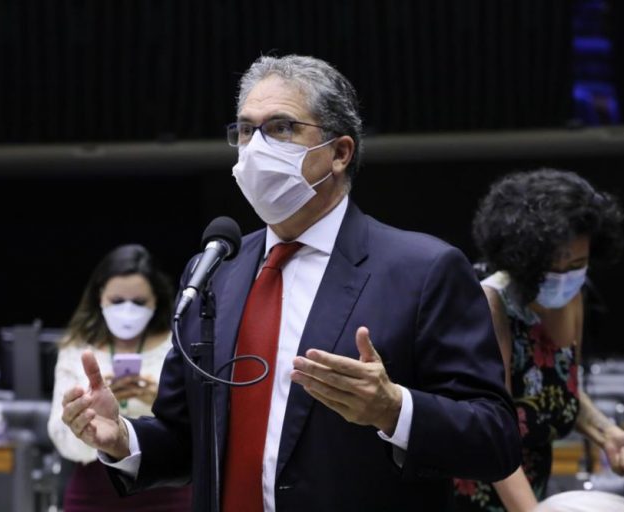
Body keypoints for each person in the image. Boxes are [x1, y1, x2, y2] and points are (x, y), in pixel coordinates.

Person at [61, 54, 522, 511]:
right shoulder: (215, 270)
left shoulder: (423, 270)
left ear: (340, 153)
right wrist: (122, 439)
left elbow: (494, 438)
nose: (257, 148)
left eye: (281, 127)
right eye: (246, 130)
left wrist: (393, 410)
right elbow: (188, 440)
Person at [453, 169, 624, 511]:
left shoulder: (573, 297)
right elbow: (492, 432)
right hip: (483, 487)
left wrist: (608, 434)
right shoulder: (491, 305)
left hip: (533, 480)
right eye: (553, 267)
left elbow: (561, 388)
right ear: (526, 260)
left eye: (578, 264)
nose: (565, 278)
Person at [47, 244, 191, 512]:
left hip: (168, 487)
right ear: (99, 297)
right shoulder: (76, 349)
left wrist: (161, 400)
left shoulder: (180, 343)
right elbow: (60, 435)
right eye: (117, 301)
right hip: (93, 490)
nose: (127, 310)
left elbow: (200, 429)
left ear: (156, 300)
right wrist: (88, 417)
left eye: (139, 302)